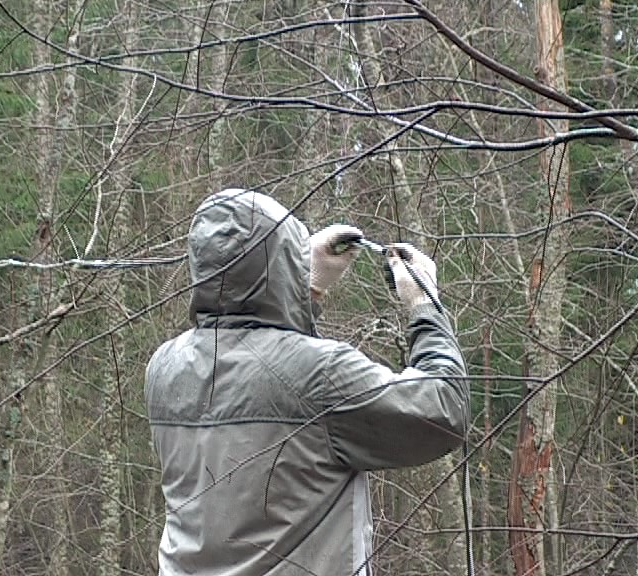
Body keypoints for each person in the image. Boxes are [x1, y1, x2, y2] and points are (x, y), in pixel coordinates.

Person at [145, 188, 469, 576]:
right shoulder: (321, 373)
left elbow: (266, 369)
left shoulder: (163, 368)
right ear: (281, 262)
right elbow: (444, 408)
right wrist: (424, 304)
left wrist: (306, 290)